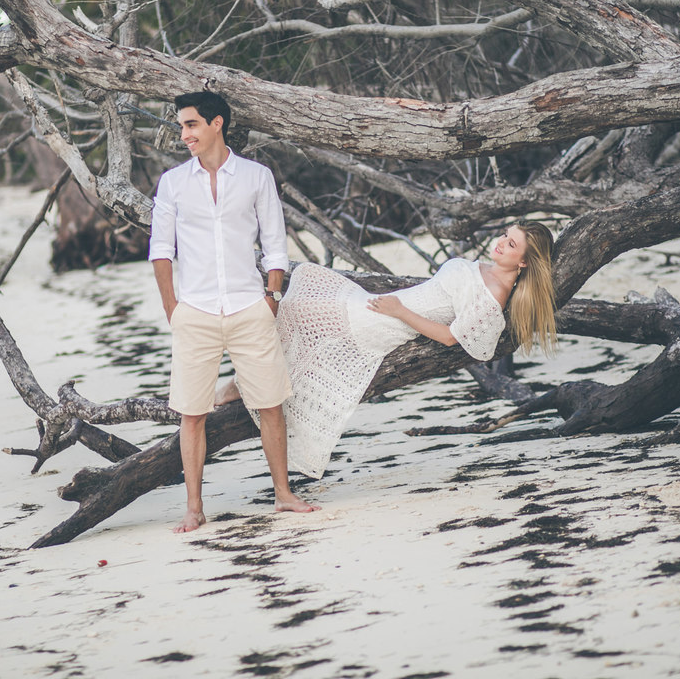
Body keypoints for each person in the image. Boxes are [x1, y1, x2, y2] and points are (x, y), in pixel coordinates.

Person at [228, 222, 557, 478]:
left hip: (388, 322)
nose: (500, 242)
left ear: (525, 261)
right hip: (386, 305)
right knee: (299, 300)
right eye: (504, 235)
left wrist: (400, 312)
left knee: (298, 309)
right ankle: (247, 380)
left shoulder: (494, 296)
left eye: (511, 244)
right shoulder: (485, 267)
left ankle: (243, 382)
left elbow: (450, 338)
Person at [149, 90, 320, 534]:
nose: (184, 133)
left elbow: (276, 245)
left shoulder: (256, 176)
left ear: (217, 123)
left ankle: (283, 495)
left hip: (250, 307)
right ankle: (193, 508)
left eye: (191, 124)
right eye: (182, 125)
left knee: (270, 405)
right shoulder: (172, 183)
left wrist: (272, 297)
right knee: (191, 413)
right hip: (196, 312)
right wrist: (174, 310)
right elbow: (161, 252)